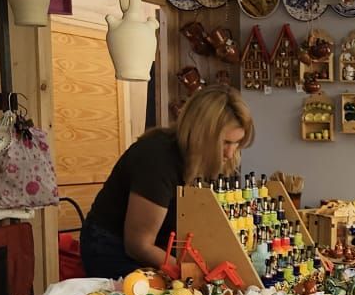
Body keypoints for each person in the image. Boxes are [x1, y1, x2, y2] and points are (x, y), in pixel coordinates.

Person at [80, 87, 252, 278]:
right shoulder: (157, 158)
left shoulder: (209, 157)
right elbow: (139, 245)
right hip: (112, 247)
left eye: (237, 143)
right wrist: (195, 275)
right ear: (200, 135)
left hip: (159, 244)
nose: (230, 153)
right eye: (225, 142)